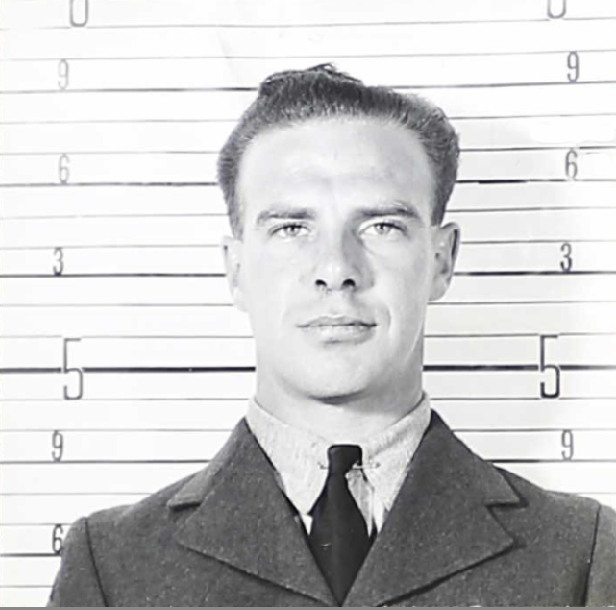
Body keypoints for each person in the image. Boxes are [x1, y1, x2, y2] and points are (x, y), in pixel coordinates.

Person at [48, 64, 616, 607]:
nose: (336, 268)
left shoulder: (581, 553)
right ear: (235, 269)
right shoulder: (113, 564)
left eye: (381, 226)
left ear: (441, 261)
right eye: (292, 227)